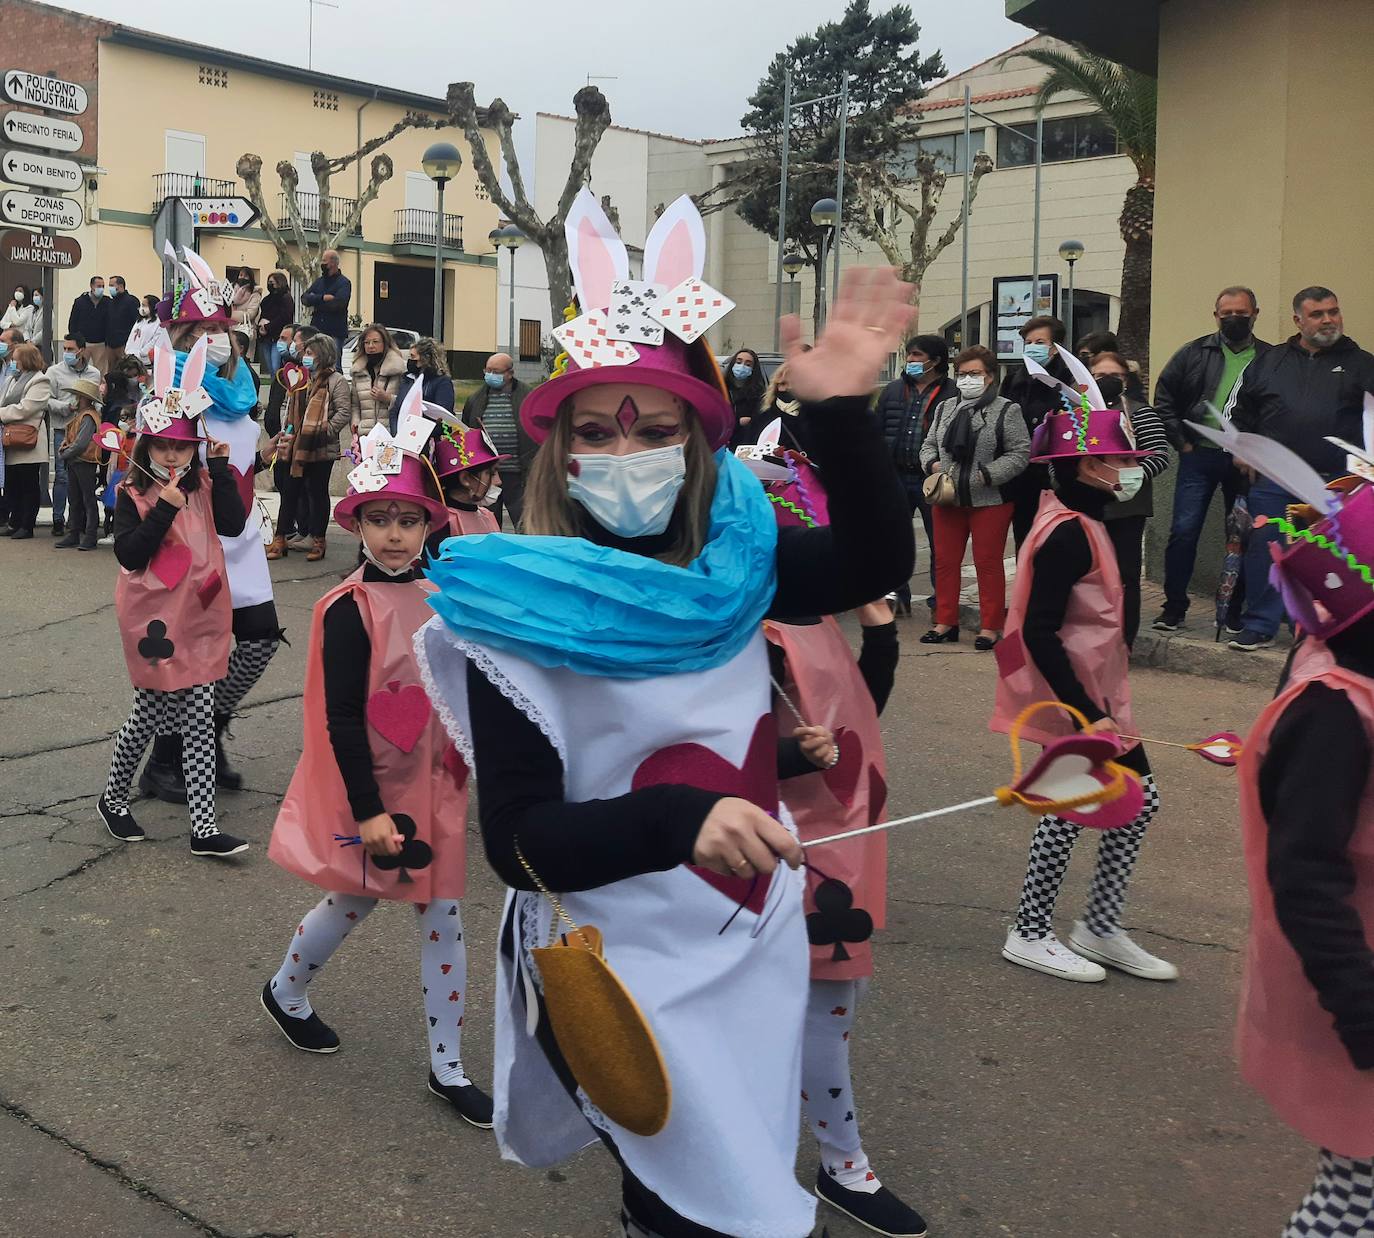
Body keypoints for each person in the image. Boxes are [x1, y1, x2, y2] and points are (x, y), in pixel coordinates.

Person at [414, 190, 915, 1238]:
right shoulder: (514, 607)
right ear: (561, 449)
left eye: (653, 423)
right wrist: (679, 819)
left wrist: (842, 416)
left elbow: (870, 563)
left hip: (747, 941)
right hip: (620, 963)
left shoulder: (735, 565)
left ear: (695, 435)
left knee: (726, 1179)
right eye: (595, 429)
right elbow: (517, 840)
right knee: (702, 1200)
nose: (624, 447)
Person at [261, 444, 494, 1127]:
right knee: (353, 900)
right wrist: (366, 810)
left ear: (430, 526)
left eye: (408, 519)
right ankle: (286, 992)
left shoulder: (446, 598)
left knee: (442, 913)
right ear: (357, 526)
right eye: (380, 518)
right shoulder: (347, 608)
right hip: (378, 790)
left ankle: (448, 1067)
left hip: (438, 788)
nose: (394, 532)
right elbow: (339, 716)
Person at [758, 453, 927, 1238]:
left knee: (836, 1002)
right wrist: (795, 756)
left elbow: (862, 710)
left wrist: (880, 633)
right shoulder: (754, 635)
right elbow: (722, 758)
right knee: (820, 1008)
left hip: (848, 834)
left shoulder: (816, 621)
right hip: (787, 851)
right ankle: (841, 1165)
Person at [1220, 436, 1374, 1237]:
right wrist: (1361, 1008)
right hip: (1354, 986)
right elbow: (1304, 872)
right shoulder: (1335, 714)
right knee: (1353, 1204)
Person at [993, 404, 1175, 984]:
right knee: (1068, 811)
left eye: (1127, 458)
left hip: (1100, 695)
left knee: (1137, 800)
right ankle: (1028, 930)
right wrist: (1085, 714)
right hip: (1074, 700)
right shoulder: (1068, 532)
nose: (1126, 468)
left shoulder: (1086, 519)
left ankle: (1098, 925)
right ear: (1082, 465)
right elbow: (1040, 631)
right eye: (1115, 459)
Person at [140, 247, 282, 803]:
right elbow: (154, 470)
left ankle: (209, 733)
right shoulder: (170, 398)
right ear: (176, 338)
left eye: (217, 327)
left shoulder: (241, 396)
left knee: (260, 640)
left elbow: (240, 465)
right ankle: (165, 759)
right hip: (192, 544)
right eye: (196, 329)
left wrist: (270, 454)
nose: (211, 337)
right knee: (192, 655)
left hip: (241, 542)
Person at [98, 338, 248, 856]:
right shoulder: (133, 492)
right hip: (154, 623)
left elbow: (231, 525)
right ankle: (114, 799)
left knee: (199, 718)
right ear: (145, 446)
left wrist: (224, 472)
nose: (171, 454)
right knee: (148, 716)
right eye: (162, 445)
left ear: (194, 448)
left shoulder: (206, 483)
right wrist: (161, 508)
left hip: (200, 615)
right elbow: (130, 555)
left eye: (181, 446)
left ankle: (203, 828)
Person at [1227, 286, 1374, 652]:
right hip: (1273, 479)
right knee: (1267, 548)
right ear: (1298, 320)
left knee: (1328, 554)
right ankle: (1260, 624)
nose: (1328, 320)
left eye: (1333, 312)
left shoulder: (1363, 365)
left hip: (1337, 483)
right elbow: (1237, 411)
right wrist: (1241, 446)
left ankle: (1316, 626)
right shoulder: (1268, 361)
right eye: (1317, 314)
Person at [1151, 286, 1272, 633]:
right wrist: (1182, 443)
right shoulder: (1193, 352)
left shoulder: (1269, 358)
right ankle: (1174, 607)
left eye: (1241, 312)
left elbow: (1276, 410)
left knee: (1242, 536)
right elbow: (1164, 398)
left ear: (1256, 313)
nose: (1234, 319)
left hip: (1244, 462)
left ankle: (1233, 610)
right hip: (1197, 456)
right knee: (1183, 532)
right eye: (1227, 313)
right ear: (1216, 315)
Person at [918, 345, 1029, 650]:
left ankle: (990, 626)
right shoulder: (945, 408)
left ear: (990, 376)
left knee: (988, 563)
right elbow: (928, 444)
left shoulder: (1007, 410)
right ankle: (945, 622)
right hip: (947, 496)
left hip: (989, 499)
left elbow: (1020, 453)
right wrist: (932, 464)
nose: (967, 379)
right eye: (962, 374)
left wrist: (987, 474)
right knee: (945, 561)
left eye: (974, 374)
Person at [1087, 350, 1172, 648]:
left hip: (1127, 508)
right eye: (1099, 375)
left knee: (1124, 577)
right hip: (1084, 507)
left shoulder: (1140, 412)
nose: (1107, 381)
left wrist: (1133, 476)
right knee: (1087, 577)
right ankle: (1090, 637)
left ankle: (1123, 642)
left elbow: (1160, 453)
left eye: (1115, 376)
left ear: (1126, 379)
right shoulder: (1077, 410)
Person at [876, 334, 956, 614]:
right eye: (909, 355)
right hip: (895, 475)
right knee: (891, 541)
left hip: (933, 479)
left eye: (917, 356)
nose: (910, 360)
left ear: (935, 361)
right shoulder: (893, 390)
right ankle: (896, 597)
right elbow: (877, 429)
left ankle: (942, 602)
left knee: (941, 543)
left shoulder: (952, 393)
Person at [270, 333, 350, 562]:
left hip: (321, 448)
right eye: (305, 353)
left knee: (317, 493)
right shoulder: (300, 378)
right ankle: (280, 538)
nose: (305, 357)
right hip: (295, 445)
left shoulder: (337, 381)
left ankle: (318, 540)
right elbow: (290, 405)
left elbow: (343, 411)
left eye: (310, 353)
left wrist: (323, 431)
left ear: (323, 355)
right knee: (289, 491)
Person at [1001, 316, 1072, 548]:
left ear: (1055, 347)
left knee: (1056, 541)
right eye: (1028, 342)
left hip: (1056, 474)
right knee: (1025, 539)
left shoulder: (1070, 380)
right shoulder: (1014, 380)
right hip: (1021, 475)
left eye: (1040, 342)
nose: (1033, 348)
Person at [460, 351, 530, 529]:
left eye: (496, 371)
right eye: (488, 370)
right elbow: (466, 431)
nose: (490, 375)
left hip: (519, 474)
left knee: (526, 523)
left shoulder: (528, 396)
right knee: (488, 523)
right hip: (487, 475)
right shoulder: (475, 399)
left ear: (510, 373)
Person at [43, 334, 101, 539]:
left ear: (82, 350)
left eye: (70, 349)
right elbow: (46, 400)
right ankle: (58, 519)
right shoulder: (54, 372)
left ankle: (79, 523)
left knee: (83, 481)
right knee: (62, 475)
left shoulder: (94, 373)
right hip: (63, 427)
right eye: (64, 348)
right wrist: (65, 407)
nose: (66, 352)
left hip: (86, 428)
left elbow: (97, 398)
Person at [429, 422, 503, 557]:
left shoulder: (487, 515)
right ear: (466, 479)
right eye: (491, 473)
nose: (498, 481)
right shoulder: (442, 523)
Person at [0, 343, 50, 539]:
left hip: (29, 440)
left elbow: (26, 408)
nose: (13, 363)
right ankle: (15, 521)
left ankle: (27, 525)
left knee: (29, 484)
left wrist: (1, 414)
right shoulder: (13, 379)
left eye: (16, 359)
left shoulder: (40, 380)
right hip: (12, 438)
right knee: (13, 484)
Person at [54, 377, 103, 551]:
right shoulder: (84, 415)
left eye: (78, 396)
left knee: (86, 499)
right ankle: (75, 533)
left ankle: (89, 536)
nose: (76, 398)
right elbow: (76, 440)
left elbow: (81, 443)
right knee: (76, 499)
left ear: (84, 398)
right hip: (78, 461)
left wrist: (65, 453)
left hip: (83, 461)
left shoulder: (88, 416)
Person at [349, 323, 407, 439]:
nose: (371, 346)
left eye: (375, 342)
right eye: (367, 343)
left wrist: (388, 398)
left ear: (385, 344)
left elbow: (408, 403)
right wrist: (355, 422)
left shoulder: (399, 370)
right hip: (365, 436)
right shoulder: (358, 371)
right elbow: (355, 405)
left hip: (390, 434)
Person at [388, 337, 453, 432]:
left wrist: (418, 432)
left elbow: (442, 415)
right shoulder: (407, 379)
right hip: (402, 436)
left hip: (427, 437)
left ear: (426, 358)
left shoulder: (442, 382)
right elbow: (396, 409)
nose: (410, 361)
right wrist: (396, 432)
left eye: (413, 357)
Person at [300, 249, 351, 348]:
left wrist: (315, 301)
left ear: (333, 263)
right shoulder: (318, 282)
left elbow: (339, 304)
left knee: (334, 362)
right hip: (316, 330)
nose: (321, 264)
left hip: (335, 331)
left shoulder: (344, 283)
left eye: (324, 261)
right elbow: (304, 299)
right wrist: (322, 298)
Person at [725, 346, 766, 448]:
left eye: (748, 364)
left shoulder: (758, 392)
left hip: (746, 445)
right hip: (724, 443)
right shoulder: (721, 387)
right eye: (739, 362)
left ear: (753, 369)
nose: (742, 366)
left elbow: (761, 420)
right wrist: (737, 422)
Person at [68, 276, 110, 372]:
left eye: (103, 286)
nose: (101, 289)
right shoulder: (80, 301)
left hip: (101, 343)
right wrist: (75, 340)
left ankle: (100, 387)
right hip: (84, 343)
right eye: (98, 286)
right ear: (91, 286)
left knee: (101, 371)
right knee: (80, 369)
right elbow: (73, 322)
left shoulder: (107, 302)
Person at [256, 272, 294, 374]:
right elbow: (262, 314)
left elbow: (284, 317)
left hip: (278, 337)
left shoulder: (286, 298)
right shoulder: (267, 300)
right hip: (266, 336)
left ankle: (278, 387)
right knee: (270, 367)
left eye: (272, 282)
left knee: (275, 366)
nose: (270, 285)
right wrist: (261, 326)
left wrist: (268, 326)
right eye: (268, 282)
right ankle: (274, 387)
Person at [104, 276, 141, 363]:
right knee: (111, 372)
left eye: (112, 285)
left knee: (125, 369)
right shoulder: (111, 302)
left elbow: (136, 322)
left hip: (124, 344)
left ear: (120, 286)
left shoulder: (131, 301)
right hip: (110, 345)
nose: (110, 288)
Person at [126, 295, 165, 363]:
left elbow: (154, 341)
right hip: (132, 358)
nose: (142, 308)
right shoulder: (139, 321)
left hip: (145, 361)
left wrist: (141, 353)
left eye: (144, 305)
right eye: (142, 305)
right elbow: (131, 337)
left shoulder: (158, 322)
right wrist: (127, 350)